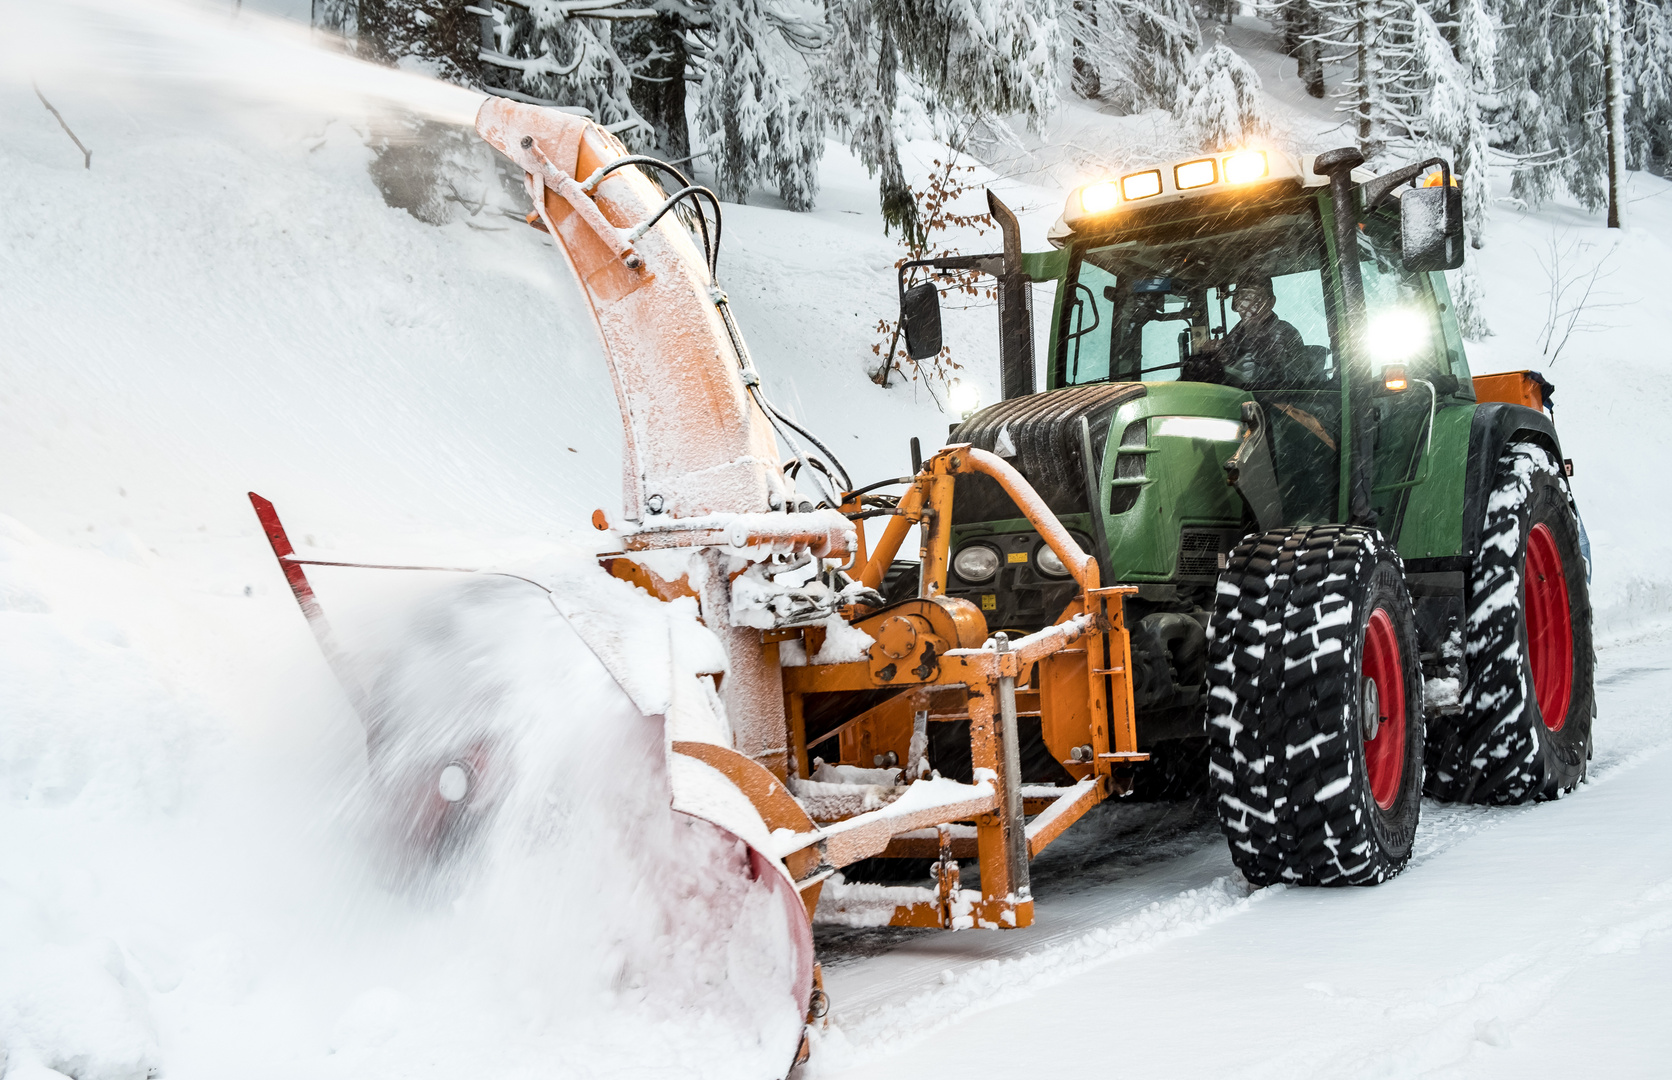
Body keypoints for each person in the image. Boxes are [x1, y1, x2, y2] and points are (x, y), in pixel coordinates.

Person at [1215, 276, 1305, 389]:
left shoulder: (1286, 334)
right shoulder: (1234, 336)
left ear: (1272, 302)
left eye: (1258, 299)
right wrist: (1217, 358)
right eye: (1244, 299)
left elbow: (1297, 384)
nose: (1251, 307)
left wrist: (1258, 372)